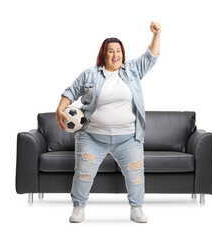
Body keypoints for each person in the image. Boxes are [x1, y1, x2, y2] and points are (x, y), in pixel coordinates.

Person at [56, 21, 161, 223]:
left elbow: (151, 56)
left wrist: (157, 34)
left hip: (128, 138)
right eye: (111, 51)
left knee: (136, 175)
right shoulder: (90, 74)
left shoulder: (132, 70)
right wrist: (60, 108)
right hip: (92, 137)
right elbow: (70, 92)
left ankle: (136, 208)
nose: (115, 55)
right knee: (83, 175)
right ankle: (78, 206)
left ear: (123, 53)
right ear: (103, 54)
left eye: (119, 51)